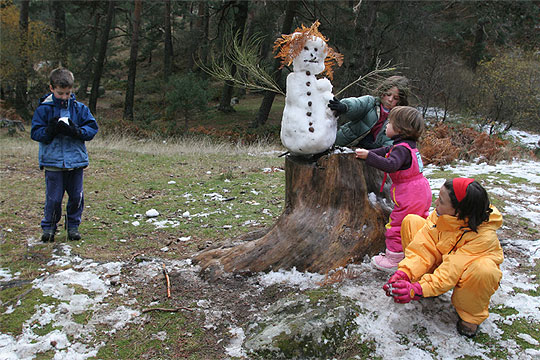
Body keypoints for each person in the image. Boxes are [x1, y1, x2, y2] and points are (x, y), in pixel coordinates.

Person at [383, 178, 504, 338]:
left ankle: (470, 317)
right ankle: (422, 284)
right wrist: (405, 272)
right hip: (445, 259)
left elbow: (451, 271)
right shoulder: (443, 214)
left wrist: (419, 289)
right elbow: (423, 246)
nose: (436, 202)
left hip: (464, 272)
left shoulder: (483, 237)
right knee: (412, 221)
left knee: (484, 271)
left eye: (441, 200)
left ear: (458, 211)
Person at [355, 106, 431, 271]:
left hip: (410, 193)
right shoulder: (407, 145)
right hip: (421, 190)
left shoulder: (402, 149)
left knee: (398, 223)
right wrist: (369, 152)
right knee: (417, 221)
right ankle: (417, 250)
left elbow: (391, 165)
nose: (386, 126)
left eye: (389, 123)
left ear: (399, 129)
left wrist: (369, 157)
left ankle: (394, 259)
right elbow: (386, 150)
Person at [30, 67, 99, 242]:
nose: (64, 97)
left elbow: (92, 129)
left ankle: (73, 226)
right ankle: (49, 228)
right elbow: (36, 133)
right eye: (60, 93)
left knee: (76, 196)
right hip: (53, 163)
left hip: (75, 162)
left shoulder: (79, 108)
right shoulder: (43, 110)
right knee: (53, 199)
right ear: (52, 88)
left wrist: (76, 131)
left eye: (68, 93)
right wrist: (50, 130)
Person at [328, 75, 410, 149]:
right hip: (344, 143)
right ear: (383, 92)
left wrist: (381, 151)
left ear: (400, 101)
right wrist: (345, 107)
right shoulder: (371, 102)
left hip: (371, 152)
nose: (390, 99)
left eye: (395, 98)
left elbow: (390, 142)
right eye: (388, 94)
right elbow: (358, 104)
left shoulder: (397, 118)